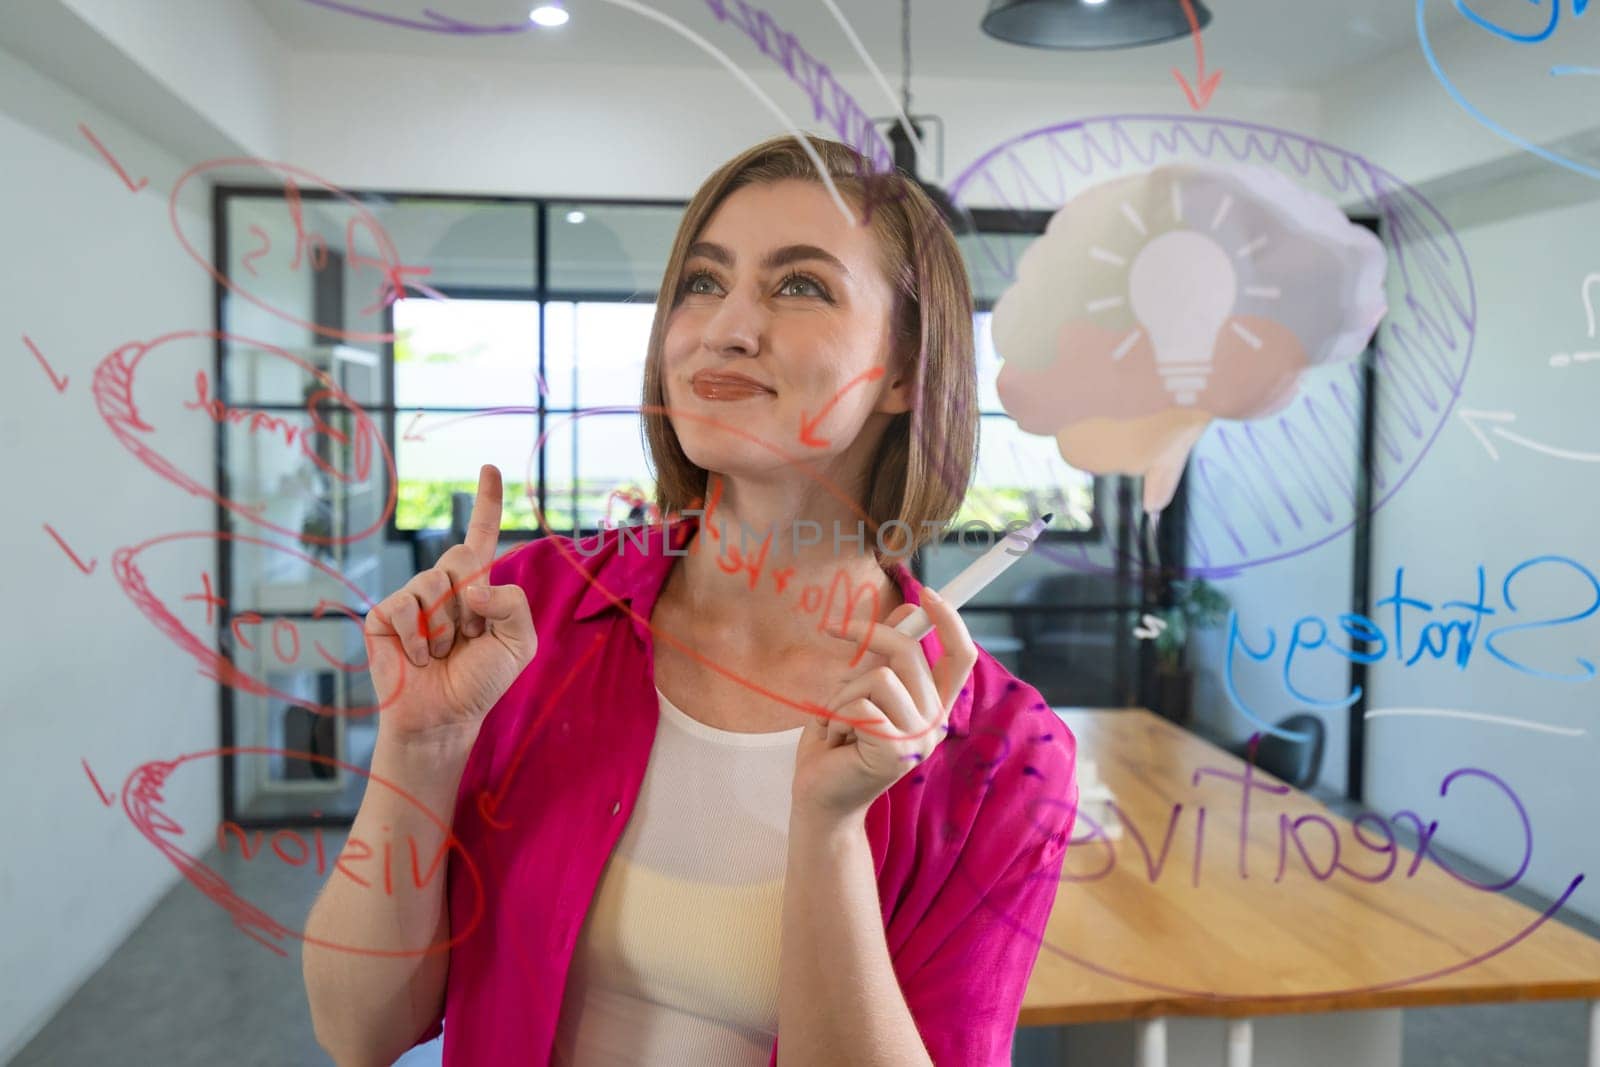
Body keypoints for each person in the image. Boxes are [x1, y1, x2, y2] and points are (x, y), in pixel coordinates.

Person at [302, 133, 1079, 1067]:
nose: (725, 327)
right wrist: (418, 747)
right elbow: (357, 1032)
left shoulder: (1003, 752)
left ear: (908, 370)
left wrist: (830, 830)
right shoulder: (525, 615)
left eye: (800, 286)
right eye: (703, 283)